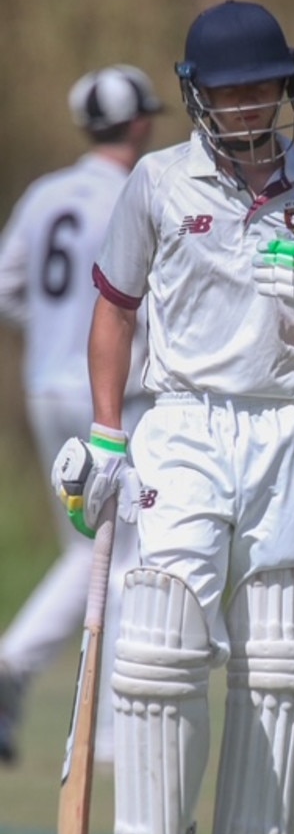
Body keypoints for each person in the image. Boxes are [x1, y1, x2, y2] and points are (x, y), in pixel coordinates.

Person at [50, 0, 294, 834]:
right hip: (185, 423)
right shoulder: (157, 181)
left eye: (264, 87)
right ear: (198, 96)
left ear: (288, 85)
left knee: (278, 654)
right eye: (230, 91)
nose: (248, 105)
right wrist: (109, 431)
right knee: (158, 642)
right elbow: (114, 308)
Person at [0, 65, 163, 765]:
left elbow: (8, 290)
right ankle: (109, 731)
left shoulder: (45, 195)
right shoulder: (140, 191)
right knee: (122, 554)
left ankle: (12, 663)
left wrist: (50, 335)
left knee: (85, 550)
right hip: (112, 393)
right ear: (141, 124)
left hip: (45, 389)